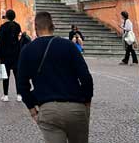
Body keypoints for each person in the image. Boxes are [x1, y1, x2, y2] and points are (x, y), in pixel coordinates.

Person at [17, 11, 94, 143]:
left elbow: (22, 84)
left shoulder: (27, 50)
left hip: (48, 109)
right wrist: (86, 102)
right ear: (53, 26)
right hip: (76, 106)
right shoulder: (68, 45)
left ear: (35, 28)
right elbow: (86, 77)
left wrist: (32, 109)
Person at [0, 8, 22, 101]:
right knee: (17, 75)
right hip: (16, 53)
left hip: (5, 54)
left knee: (5, 75)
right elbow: (19, 39)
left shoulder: (3, 27)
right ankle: (19, 95)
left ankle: (6, 95)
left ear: (6, 16)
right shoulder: (18, 26)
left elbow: (0, 42)